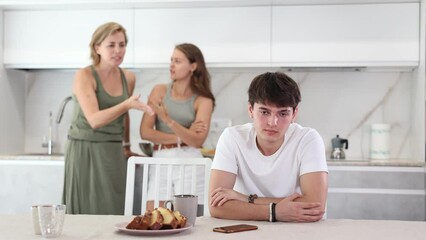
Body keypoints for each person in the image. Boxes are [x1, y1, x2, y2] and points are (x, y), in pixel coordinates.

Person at [209, 72, 328, 222]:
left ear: (294, 114)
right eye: (265, 112)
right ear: (251, 109)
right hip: (245, 228)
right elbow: (216, 206)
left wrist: (245, 199)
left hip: (298, 229)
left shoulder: (308, 139)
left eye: (283, 113)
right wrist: (274, 212)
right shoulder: (232, 138)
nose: (273, 122)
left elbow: (314, 206)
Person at [62, 22, 153, 215]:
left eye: (122, 45)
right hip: (84, 149)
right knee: (86, 211)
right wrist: (126, 104)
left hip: (112, 149)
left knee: (116, 208)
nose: (118, 50)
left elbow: (124, 115)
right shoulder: (84, 75)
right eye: (111, 45)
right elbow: (94, 119)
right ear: (97, 48)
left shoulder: (128, 77)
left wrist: (126, 146)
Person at [140, 43, 215, 211]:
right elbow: (145, 132)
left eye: (178, 61)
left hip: (189, 161)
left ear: (193, 66)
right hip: (160, 158)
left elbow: (198, 141)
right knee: (153, 215)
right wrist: (185, 135)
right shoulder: (159, 91)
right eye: (171, 60)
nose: (171, 65)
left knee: (188, 219)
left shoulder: (203, 100)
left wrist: (168, 120)